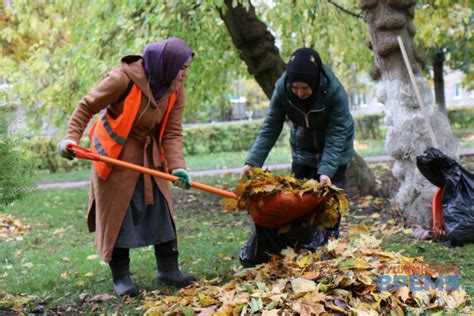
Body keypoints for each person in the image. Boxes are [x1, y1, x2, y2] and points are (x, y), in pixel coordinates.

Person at [57, 38, 196, 297]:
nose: (184, 73)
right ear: (167, 65)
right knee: (118, 213)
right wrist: (70, 139)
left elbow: (173, 132)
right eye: (182, 67)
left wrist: (177, 167)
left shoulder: (175, 87)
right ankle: (121, 277)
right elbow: (86, 106)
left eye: (186, 67)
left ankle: (169, 269)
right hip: (115, 153)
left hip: (149, 152)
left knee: (162, 207)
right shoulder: (122, 79)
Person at [239, 47, 354, 267]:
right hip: (303, 149)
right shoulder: (283, 88)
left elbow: (337, 133)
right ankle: (299, 249)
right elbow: (270, 126)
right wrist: (252, 162)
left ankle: (326, 251)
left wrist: (327, 172)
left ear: (315, 82)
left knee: (329, 204)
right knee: (299, 200)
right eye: (296, 88)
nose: (300, 93)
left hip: (336, 151)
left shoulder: (334, 91)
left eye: (305, 88)